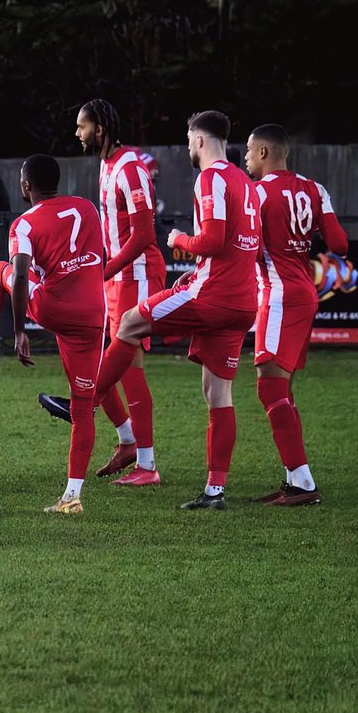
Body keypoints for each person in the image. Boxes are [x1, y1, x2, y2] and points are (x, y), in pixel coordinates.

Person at [88, 110, 260, 512]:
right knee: (217, 393)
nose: (186, 145)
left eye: (187, 138)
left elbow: (214, 240)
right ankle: (215, 491)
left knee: (129, 324)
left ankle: (86, 402)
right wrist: (194, 273)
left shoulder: (211, 177)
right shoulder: (245, 183)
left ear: (199, 140)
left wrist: (180, 238)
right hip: (240, 301)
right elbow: (240, 244)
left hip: (213, 296)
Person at [0, 154, 105, 515]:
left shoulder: (25, 223)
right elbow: (101, 256)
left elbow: (19, 276)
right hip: (94, 315)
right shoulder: (87, 207)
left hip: (54, 307)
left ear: (26, 186)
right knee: (83, 408)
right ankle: (72, 496)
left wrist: (19, 330)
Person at [39, 100, 165, 486]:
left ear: (100, 127)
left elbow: (144, 237)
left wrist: (104, 270)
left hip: (138, 275)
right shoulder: (106, 165)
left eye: (81, 126)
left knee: (129, 367)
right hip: (116, 278)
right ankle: (128, 443)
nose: (77, 133)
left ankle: (146, 465)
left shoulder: (131, 168)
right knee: (104, 363)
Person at [245, 124, 349, 506]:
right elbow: (339, 243)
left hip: (277, 294)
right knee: (283, 390)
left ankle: (303, 483)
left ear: (263, 153)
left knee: (270, 388)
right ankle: (294, 480)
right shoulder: (314, 188)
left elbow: (249, 250)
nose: (244, 157)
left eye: (248, 150)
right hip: (305, 292)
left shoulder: (256, 193)